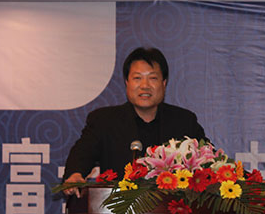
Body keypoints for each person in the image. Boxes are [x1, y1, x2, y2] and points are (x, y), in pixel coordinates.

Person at [62, 47, 206, 196]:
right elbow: (82, 154)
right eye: (137, 78)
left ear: (164, 83)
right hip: (118, 207)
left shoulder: (184, 122)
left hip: (172, 207)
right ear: (127, 82)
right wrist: (75, 174)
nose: (145, 85)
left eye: (153, 78)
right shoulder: (104, 121)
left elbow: (208, 160)